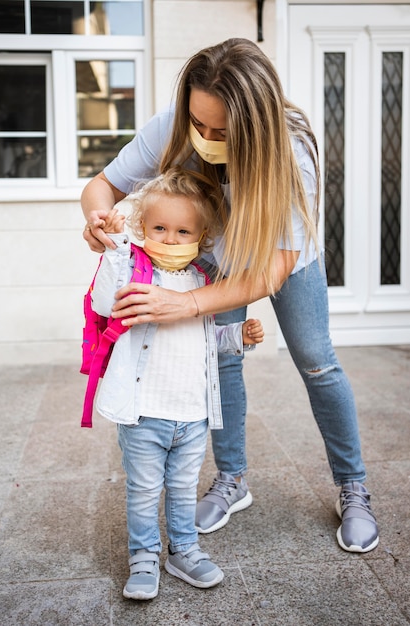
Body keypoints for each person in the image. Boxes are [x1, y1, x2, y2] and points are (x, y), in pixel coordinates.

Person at [81, 38, 379, 554]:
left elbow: (271, 272)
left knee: (315, 359)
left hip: (281, 256)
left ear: (257, 123)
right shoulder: (173, 125)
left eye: (222, 131)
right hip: (217, 252)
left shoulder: (292, 154)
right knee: (221, 363)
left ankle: (353, 487)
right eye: (199, 124)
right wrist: (97, 221)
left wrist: (186, 305)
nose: (205, 139)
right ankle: (232, 480)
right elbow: (102, 186)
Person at [90, 167, 264, 600]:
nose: (169, 238)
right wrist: (114, 250)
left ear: (201, 237)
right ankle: (144, 556)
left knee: (185, 490)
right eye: (160, 228)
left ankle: (184, 549)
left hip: (192, 414)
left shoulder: (204, 284)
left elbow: (208, 339)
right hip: (144, 413)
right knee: (145, 490)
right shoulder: (134, 274)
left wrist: (237, 338)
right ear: (142, 228)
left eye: (183, 231)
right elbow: (104, 302)